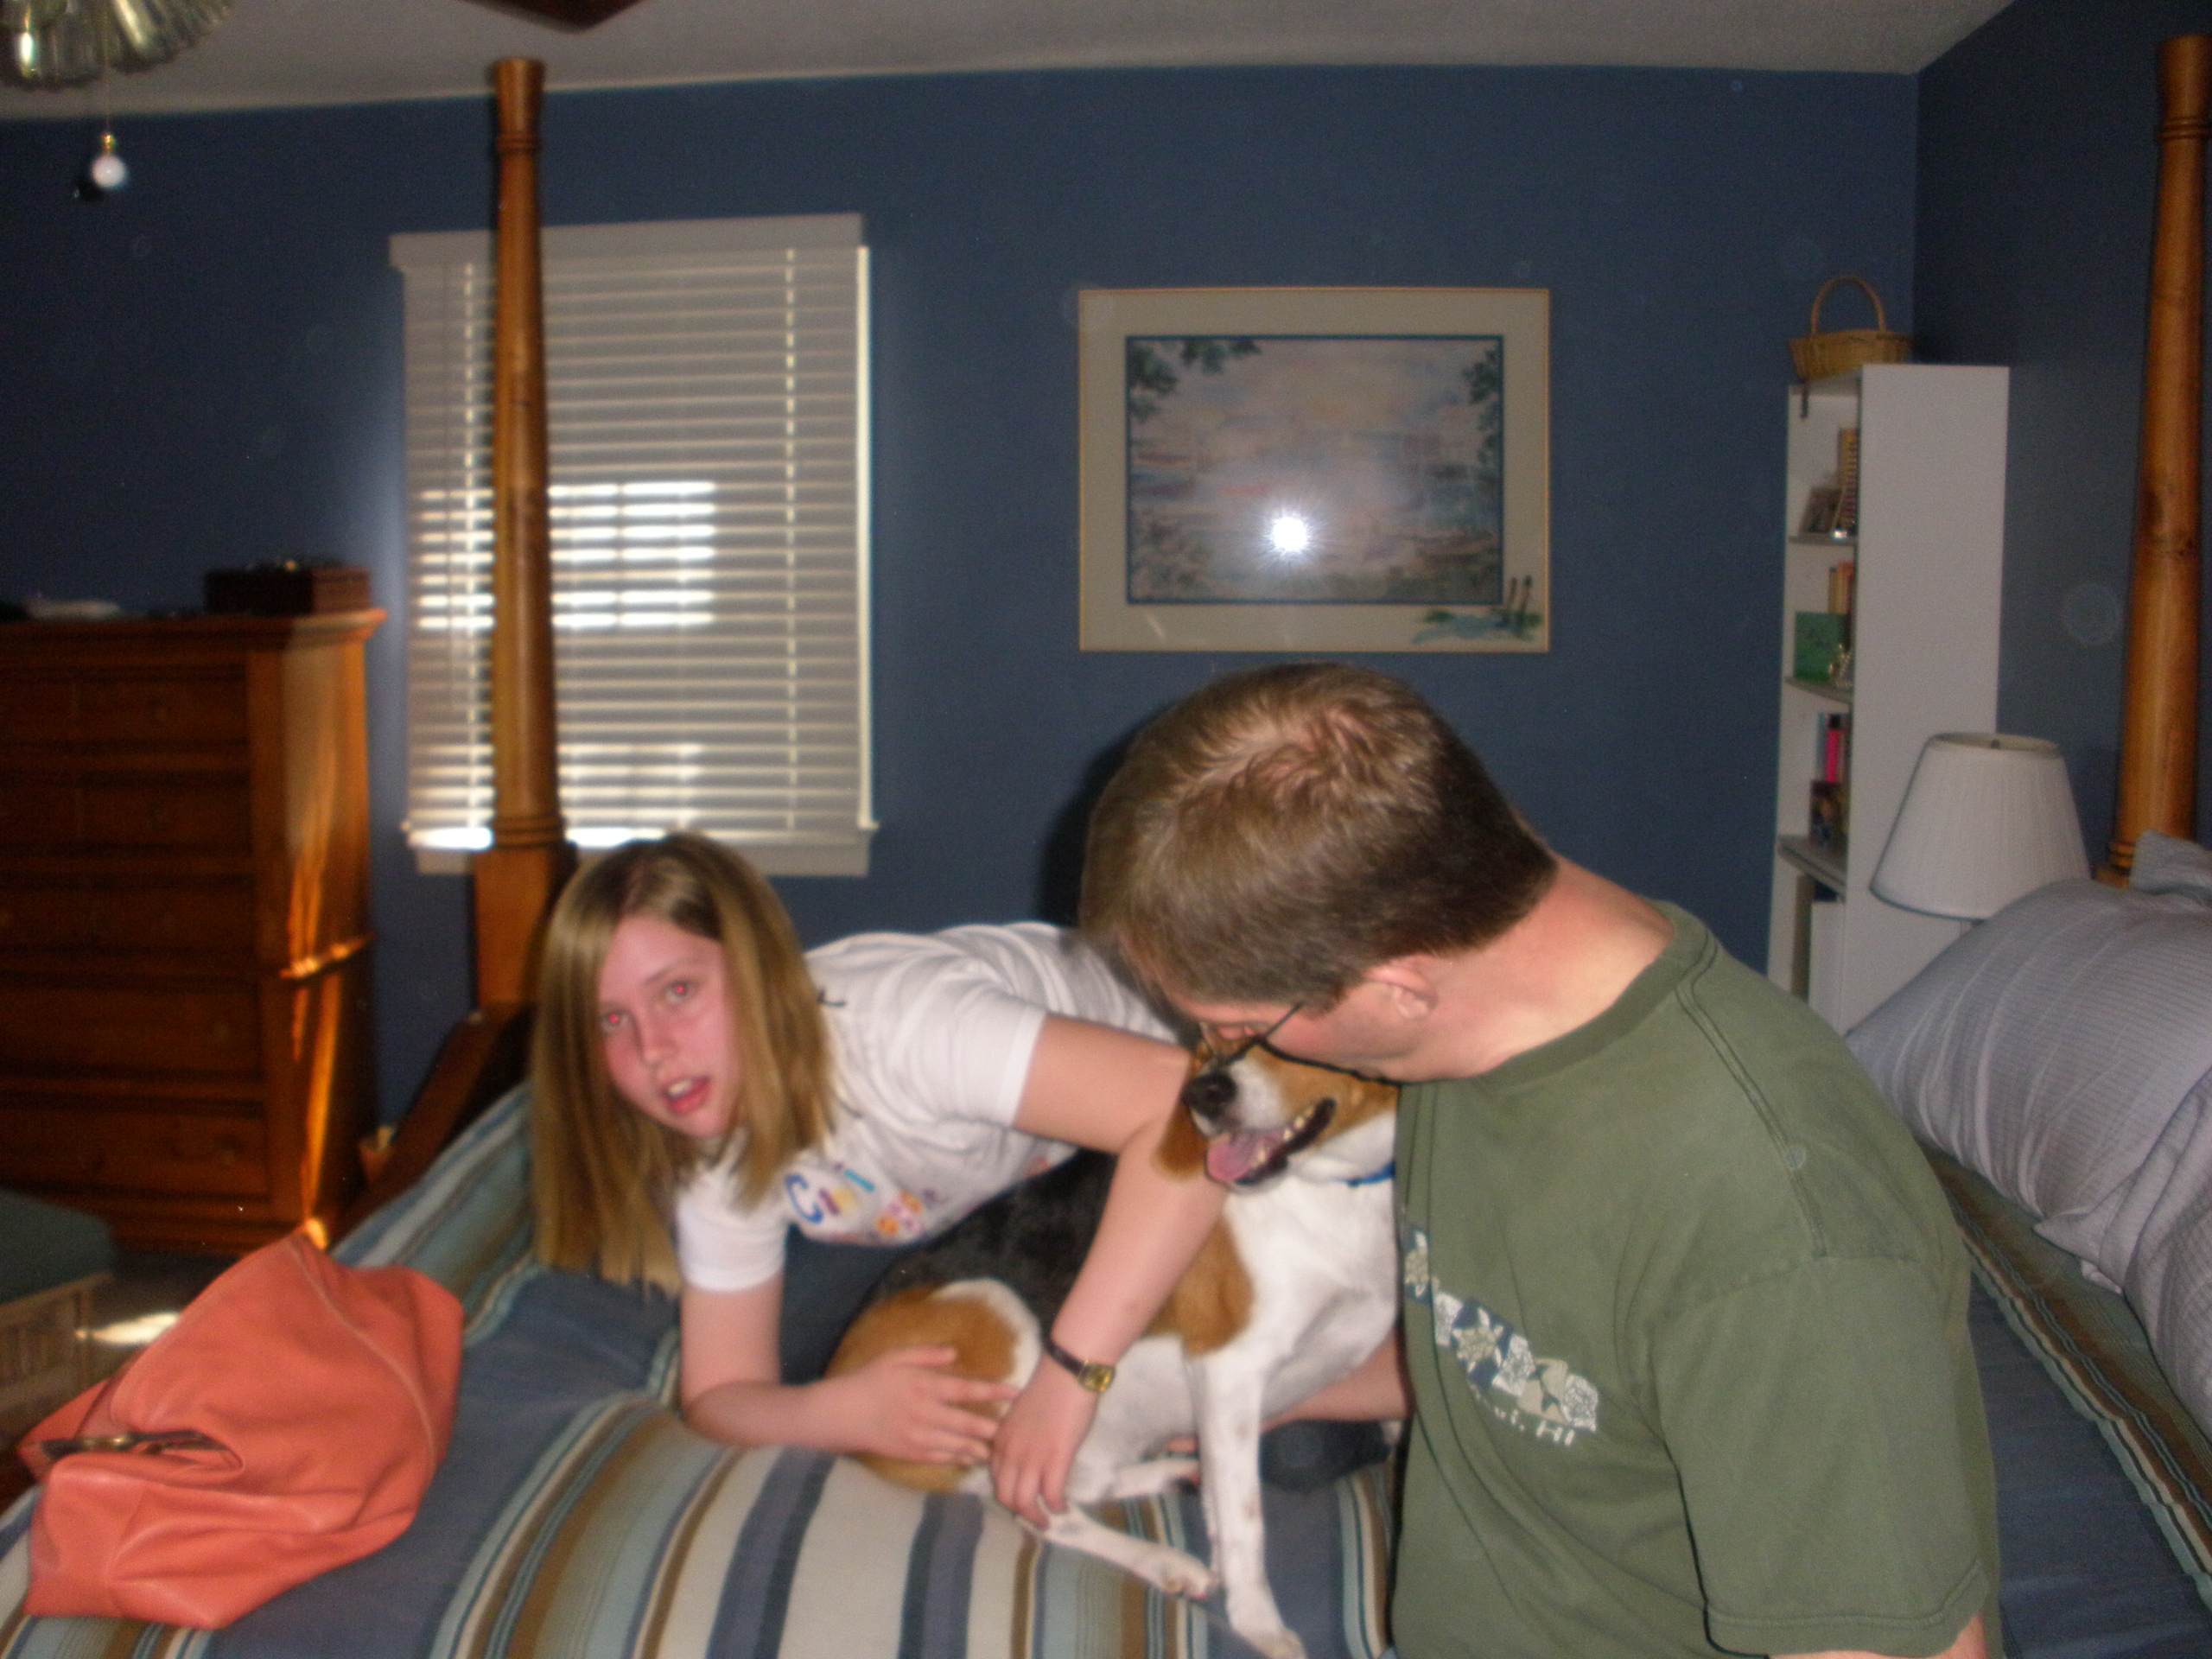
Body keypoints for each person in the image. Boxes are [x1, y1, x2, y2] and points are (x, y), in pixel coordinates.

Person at [1078, 663, 2001, 1659]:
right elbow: (1520, 1358)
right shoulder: (1475, 1019)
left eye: (1240, 1028)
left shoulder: (1771, 1218)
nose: (1229, 1056)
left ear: (1395, 985)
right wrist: (1248, 1397)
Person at [530, 831, 1223, 1522]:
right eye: (610, 1020)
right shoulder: (714, 1148)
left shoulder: (906, 1031)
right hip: (1012, 1209)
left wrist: (1074, 1376)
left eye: (678, 991)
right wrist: (839, 1412)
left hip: (1190, 1112)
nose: (654, 1050)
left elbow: (1185, 1114)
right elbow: (718, 1395)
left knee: (1261, 1427)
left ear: (760, 966)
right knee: (821, 1369)